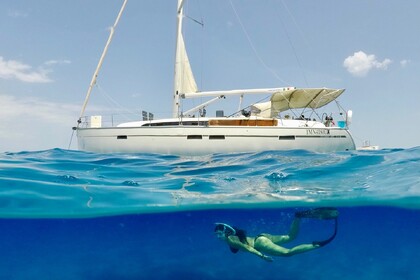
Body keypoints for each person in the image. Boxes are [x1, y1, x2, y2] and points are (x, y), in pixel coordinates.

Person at [214, 207, 339, 262]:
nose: (218, 236)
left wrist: (262, 256)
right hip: (262, 237)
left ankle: (316, 245)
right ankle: (298, 217)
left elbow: (247, 248)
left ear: (226, 232)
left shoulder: (230, 240)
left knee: (287, 253)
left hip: (260, 243)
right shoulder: (233, 236)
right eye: (217, 234)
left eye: (219, 233)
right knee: (291, 237)